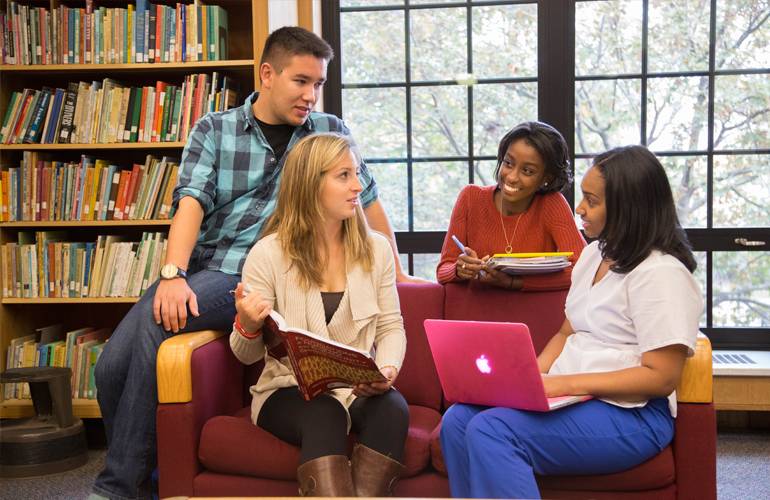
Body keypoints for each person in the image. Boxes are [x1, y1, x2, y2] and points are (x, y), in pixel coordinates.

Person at [92, 27, 415, 500]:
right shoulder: (215, 129)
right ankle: (147, 477)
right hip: (218, 269)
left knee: (154, 333)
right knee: (109, 368)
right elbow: (191, 204)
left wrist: (398, 268)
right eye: (301, 81)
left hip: (279, 267)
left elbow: (367, 200)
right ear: (267, 74)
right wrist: (173, 275)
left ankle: (118, 488)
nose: (311, 95)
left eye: (318, 84)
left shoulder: (329, 132)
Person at [439, 145, 703, 499]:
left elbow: (660, 376)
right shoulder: (594, 254)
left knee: (493, 429)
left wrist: (560, 384)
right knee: (457, 420)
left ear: (629, 208)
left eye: (591, 201)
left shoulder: (661, 273)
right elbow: (567, 331)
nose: (579, 208)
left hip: (631, 414)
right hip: (573, 396)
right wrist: (529, 380)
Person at [230, 132, 408, 497]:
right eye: (343, 175)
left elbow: (391, 327)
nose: (358, 186)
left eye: (356, 173)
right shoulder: (268, 254)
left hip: (354, 388)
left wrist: (387, 370)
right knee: (323, 411)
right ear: (310, 183)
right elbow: (245, 355)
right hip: (285, 392)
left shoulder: (376, 250)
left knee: (392, 408)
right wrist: (248, 324)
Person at [436, 121, 586, 290]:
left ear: (547, 178)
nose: (512, 177)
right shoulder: (470, 197)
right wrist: (460, 269)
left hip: (533, 312)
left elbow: (583, 270)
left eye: (527, 171)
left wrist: (514, 283)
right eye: (508, 163)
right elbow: (443, 270)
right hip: (474, 311)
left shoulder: (552, 204)